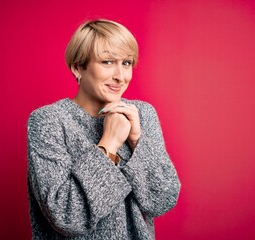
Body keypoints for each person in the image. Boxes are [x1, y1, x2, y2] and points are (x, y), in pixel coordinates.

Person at [27, 19, 181, 240]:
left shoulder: (142, 115)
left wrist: (137, 139)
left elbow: (162, 200)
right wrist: (109, 144)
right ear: (78, 67)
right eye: (108, 62)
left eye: (127, 63)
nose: (120, 76)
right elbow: (66, 216)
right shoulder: (48, 121)